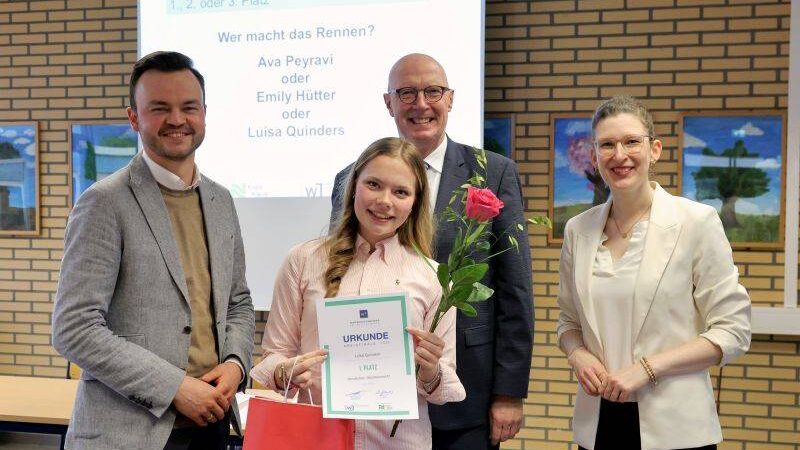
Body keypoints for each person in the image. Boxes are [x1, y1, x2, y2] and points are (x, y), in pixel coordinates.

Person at [52, 51, 255, 450]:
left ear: (204, 114)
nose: (177, 119)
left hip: (211, 426)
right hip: (128, 434)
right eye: (160, 108)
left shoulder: (221, 200)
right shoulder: (104, 203)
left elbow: (239, 303)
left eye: (188, 107)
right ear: (134, 119)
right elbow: (74, 328)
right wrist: (174, 387)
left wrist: (235, 364)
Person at [331, 54, 533, 449]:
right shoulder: (351, 179)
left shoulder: (493, 173)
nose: (421, 104)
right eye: (406, 93)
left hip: (467, 396)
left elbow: (515, 291)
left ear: (451, 98)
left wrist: (509, 393)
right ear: (389, 102)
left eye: (433, 91)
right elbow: (342, 272)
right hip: (371, 398)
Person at [557, 95, 752, 450]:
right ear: (594, 157)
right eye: (607, 145)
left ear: (655, 149)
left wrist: (646, 368)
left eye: (631, 141)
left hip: (676, 429)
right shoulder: (578, 230)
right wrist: (577, 354)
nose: (620, 155)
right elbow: (568, 323)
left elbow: (733, 331)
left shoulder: (697, 222)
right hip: (598, 424)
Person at [251, 137, 465, 449]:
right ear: (354, 187)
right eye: (374, 184)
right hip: (314, 439)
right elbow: (273, 357)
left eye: (401, 192)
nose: (385, 201)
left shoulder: (434, 277)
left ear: (416, 202)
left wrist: (431, 369)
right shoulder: (302, 261)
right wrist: (286, 371)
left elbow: (445, 386)